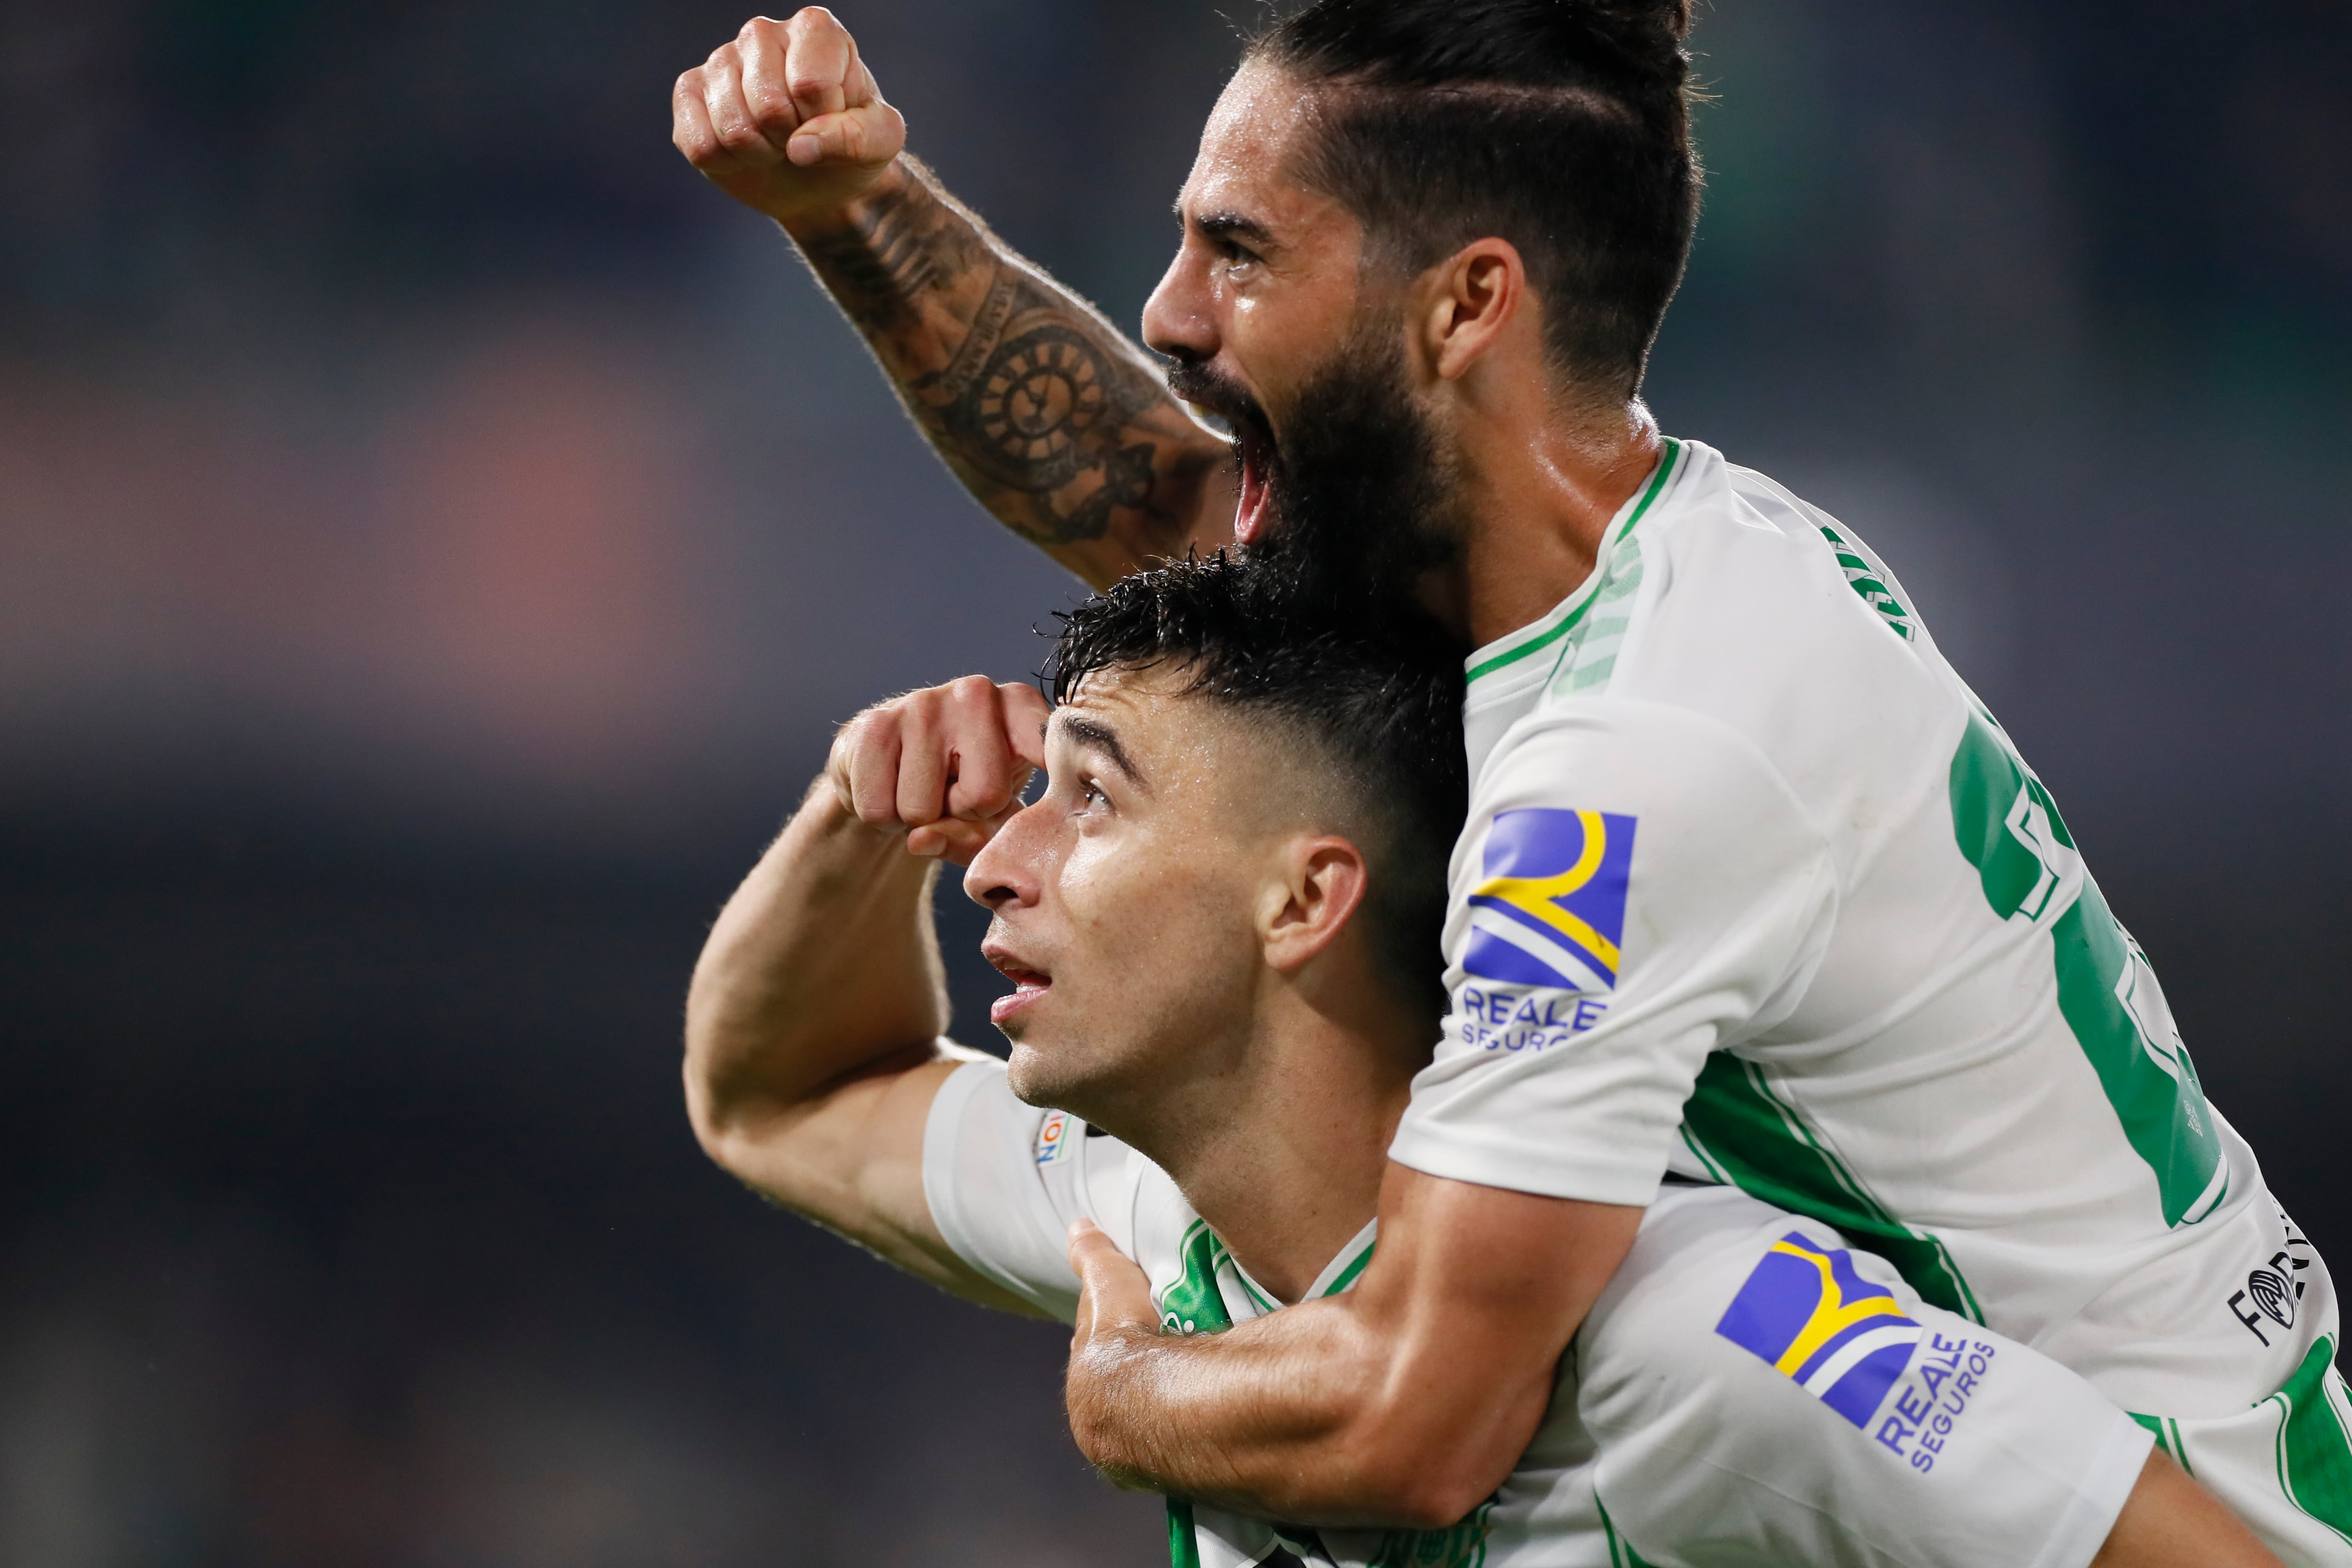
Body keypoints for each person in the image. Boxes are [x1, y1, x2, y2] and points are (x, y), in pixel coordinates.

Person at [670, 5, 2352, 1561]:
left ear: (1469, 304)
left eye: (1236, 255)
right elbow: (1149, 501)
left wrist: (1123, 1382)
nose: (1172, 315)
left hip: (2152, 1509)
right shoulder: (1583, 563)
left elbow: (1417, 1418)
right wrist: (852, 207)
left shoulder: (1631, 760)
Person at [685, 555, 2275, 1568]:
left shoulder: (1721, 1331)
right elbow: (780, 1098)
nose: (993, 864)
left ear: (1307, 898)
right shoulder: (1140, 1212)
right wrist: (852, 822)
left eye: (1090, 801)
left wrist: (1126, 1396)